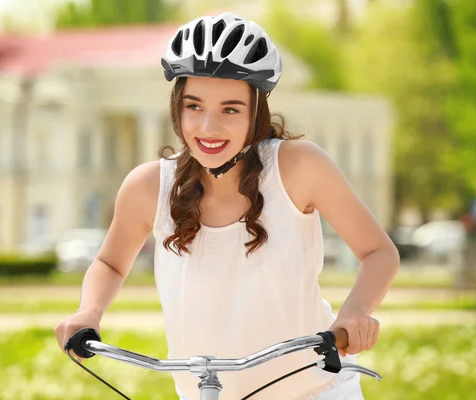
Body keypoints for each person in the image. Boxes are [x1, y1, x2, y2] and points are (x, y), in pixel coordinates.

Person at [54, 12, 400, 400]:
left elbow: (378, 252)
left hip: (313, 391)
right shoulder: (148, 187)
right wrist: (89, 311)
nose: (207, 128)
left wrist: (355, 311)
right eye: (194, 106)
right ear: (177, 107)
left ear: (256, 112)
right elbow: (110, 263)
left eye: (230, 110)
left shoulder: (299, 167)